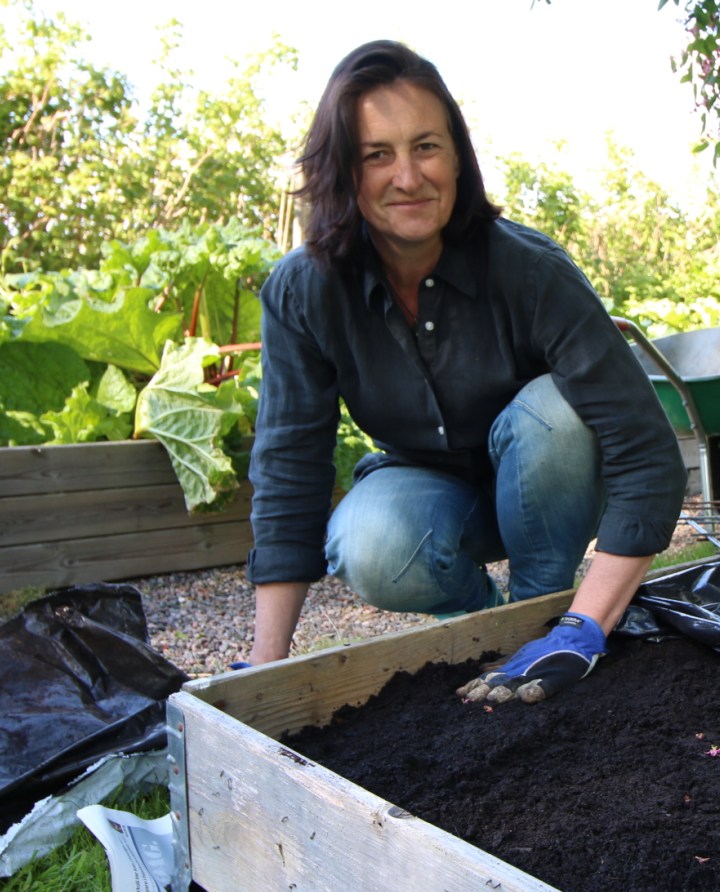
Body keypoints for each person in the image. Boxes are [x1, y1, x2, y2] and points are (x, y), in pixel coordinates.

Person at [244, 40, 687, 703]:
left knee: (558, 412)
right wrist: (263, 670)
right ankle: (488, 632)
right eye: (377, 154)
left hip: (552, 488)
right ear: (342, 170)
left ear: (457, 157)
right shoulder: (304, 290)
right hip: (436, 499)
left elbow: (647, 454)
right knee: (367, 539)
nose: (408, 177)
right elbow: (289, 467)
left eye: (426, 146)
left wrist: (586, 626)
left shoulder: (531, 272)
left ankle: (549, 623)